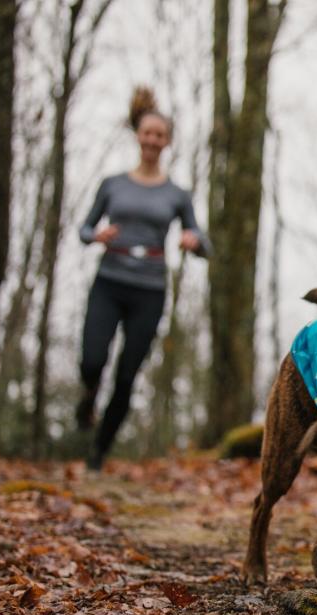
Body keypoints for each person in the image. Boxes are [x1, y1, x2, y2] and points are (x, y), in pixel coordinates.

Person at [77, 87, 210, 470]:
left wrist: (193, 240)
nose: (152, 139)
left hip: (149, 289)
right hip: (109, 280)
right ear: (138, 134)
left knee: (126, 375)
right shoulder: (113, 184)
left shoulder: (177, 194)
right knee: (92, 360)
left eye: (160, 135)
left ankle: (98, 452)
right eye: (147, 132)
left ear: (167, 142)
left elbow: (202, 241)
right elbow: (84, 228)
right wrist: (95, 235)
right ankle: (87, 395)